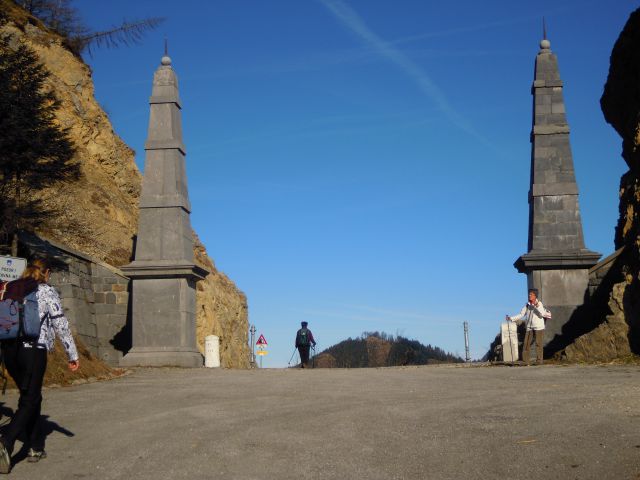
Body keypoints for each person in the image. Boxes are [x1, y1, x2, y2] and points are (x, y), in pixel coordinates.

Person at [0, 258, 79, 473]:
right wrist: (72, 354)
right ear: (47, 272)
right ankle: (6, 440)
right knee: (31, 398)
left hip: (9, 350)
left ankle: (35, 446)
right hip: (33, 350)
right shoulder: (46, 291)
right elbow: (60, 323)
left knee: (30, 396)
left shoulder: (12, 288)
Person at [506, 288, 551, 365]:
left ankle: (539, 361)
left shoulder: (539, 304)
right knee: (526, 343)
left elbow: (542, 314)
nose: (529, 296)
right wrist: (511, 318)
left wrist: (536, 306)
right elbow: (521, 314)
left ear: (535, 296)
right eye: (529, 294)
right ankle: (525, 361)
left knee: (538, 344)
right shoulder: (527, 305)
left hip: (539, 327)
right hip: (529, 327)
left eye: (531, 294)